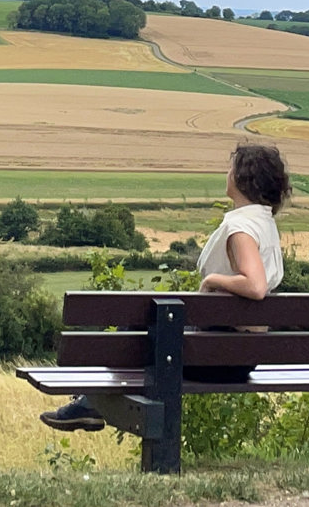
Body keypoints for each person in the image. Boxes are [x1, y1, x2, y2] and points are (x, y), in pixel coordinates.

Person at [40, 143, 291, 432]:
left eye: (231, 167)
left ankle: (90, 405)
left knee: (135, 328)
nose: (227, 173)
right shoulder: (264, 222)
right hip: (241, 356)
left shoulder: (242, 228)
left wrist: (212, 281)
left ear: (243, 178)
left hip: (219, 356)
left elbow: (256, 286)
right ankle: (90, 403)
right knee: (142, 331)